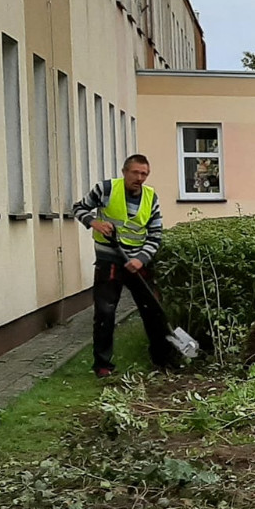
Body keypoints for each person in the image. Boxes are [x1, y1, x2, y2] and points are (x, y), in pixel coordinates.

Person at [71, 154, 175, 379]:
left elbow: (156, 233)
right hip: (110, 259)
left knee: (153, 310)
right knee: (105, 312)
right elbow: (78, 208)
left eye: (144, 174)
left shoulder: (150, 197)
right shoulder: (105, 189)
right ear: (125, 171)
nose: (140, 178)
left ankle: (162, 359)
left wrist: (141, 259)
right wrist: (94, 222)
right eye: (136, 173)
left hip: (138, 262)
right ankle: (103, 365)